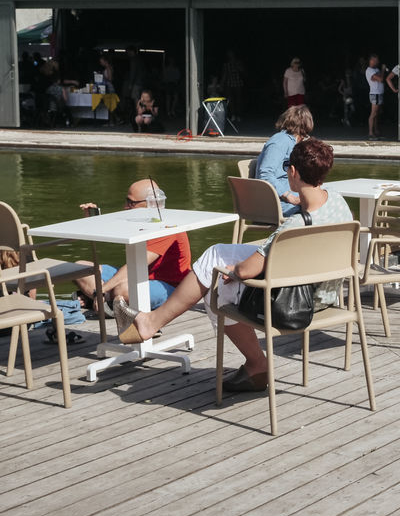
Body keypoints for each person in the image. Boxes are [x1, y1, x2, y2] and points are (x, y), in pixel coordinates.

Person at [113, 139, 353, 393]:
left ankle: (255, 362)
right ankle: (155, 323)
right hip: (325, 291)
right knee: (215, 254)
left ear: (292, 172)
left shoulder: (294, 227)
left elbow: (246, 271)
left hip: (295, 301)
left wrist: (233, 271)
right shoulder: (338, 202)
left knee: (217, 286)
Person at [75, 180, 192, 312]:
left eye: (131, 203)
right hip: (138, 275)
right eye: (126, 201)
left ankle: (101, 299)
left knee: (122, 290)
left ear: (150, 203)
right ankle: (108, 302)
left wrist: (102, 289)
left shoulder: (168, 227)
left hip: (168, 286)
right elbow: (106, 231)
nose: (125, 207)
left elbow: (137, 264)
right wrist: (92, 220)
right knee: (79, 268)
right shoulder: (137, 220)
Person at [254, 105, 313, 217]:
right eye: (305, 135)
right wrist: (288, 196)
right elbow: (265, 173)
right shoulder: (280, 141)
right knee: (318, 211)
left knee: (326, 202)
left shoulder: (291, 142)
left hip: (288, 198)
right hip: (277, 202)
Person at [365, 54, 385, 139]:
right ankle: (370, 133)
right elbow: (380, 79)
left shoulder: (376, 69)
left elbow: (379, 77)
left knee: (377, 114)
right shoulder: (369, 70)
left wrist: (380, 73)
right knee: (373, 114)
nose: (378, 62)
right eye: (376, 60)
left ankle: (376, 131)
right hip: (375, 94)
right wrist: (383, 70)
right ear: (371, 60)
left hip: (379, 93)